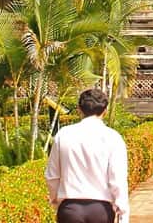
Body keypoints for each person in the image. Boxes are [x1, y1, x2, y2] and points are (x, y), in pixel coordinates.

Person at [45, 89, 129, 223]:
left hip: (70, 209)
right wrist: (123, 213)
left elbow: (52, 175)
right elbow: (117, 179)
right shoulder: (113, 137)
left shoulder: (64, 134)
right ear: (105, 111)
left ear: (79, 109)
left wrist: (56, 201)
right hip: (101, 210)